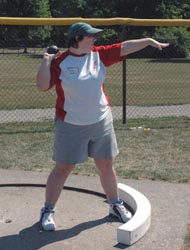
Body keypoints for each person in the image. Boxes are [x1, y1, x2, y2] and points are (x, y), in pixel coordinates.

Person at [36, 22, 169, 231]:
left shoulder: (99, 55)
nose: (95, 39)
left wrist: (149, 41)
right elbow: (43, 85)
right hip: (71, 124)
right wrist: (45, 60)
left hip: (101, 120)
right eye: (90, 36)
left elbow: (124, 46)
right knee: (63, 168)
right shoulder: (60, 62)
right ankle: (48, 210)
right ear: (78, 39)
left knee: (106, 165)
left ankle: (115, 205)